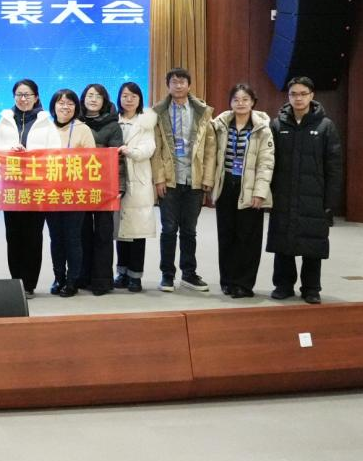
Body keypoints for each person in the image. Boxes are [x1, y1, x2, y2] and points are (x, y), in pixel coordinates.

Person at [266, 77, 342, 304]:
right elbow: (269, 162)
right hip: (284, 194)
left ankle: (311, 288)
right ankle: (283, 285)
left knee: (312, 243)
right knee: (283, 241)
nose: (298, 98)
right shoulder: (277, 125)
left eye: (303, 94)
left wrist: (330, 201)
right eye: (293, 94)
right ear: (288, 97)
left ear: (312, 96)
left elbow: (334, 166)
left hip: (314, 196)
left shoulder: (325, 126)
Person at [0, 78, 59, 297]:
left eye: (27, 95)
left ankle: (29, 284)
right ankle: (16, 281)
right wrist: (10, 150)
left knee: (33, 236)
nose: (23, 99)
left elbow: (55, 152)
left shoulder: (46, 122)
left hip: (36, 187)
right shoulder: (4, 120)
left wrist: (30, 155)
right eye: (19, 95)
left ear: (36, 97)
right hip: (10, 186)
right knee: (13, 235)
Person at [151, 68, 216, 294]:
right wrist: (159, 179)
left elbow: (210, 147)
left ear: (189, 85)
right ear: (168, 85)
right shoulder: (159, 112)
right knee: (169, 229)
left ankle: (189, 274)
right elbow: (156, 149)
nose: (178, 86)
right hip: (170, 179)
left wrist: (207, 177)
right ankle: (167, 275)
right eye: (174, 82)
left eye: (182, 82)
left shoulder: (202, 111)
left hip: (194, 179)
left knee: (189, 230)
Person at [209, 83, 275, 299]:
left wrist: (260, 192)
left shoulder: (262, 128)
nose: (240, 103)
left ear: (253, 102)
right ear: (230, 102)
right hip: (226, 186)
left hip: (250, 188)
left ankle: (244, 284)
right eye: (236, 99)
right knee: (226, 236)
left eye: (245, 99)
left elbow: (266, 163)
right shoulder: (220, 125)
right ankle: (228, 281)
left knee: (248, 239)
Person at [45, 89, 95, 296]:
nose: (65, 107)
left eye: (70, 103)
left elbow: (92, 161)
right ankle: (59, 278)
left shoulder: (83, 129)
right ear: (53, 106)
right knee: (56, 238)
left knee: (72, 238)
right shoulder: (45, 127)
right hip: (50, 193)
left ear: (76, 107)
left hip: (75, 193)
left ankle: (73, 281)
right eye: (61, 103)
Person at [78, 83, 126, 295]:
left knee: (104, 234)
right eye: (90, 95)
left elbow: (118, 159)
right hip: (79, 186)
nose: (93, 99)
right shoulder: (75, 122)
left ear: (104, 100)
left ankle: (102, 280)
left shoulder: (113, 125)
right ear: (83, 99)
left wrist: (119, 186)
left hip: (105, 188)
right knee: (82, 233)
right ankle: (82, 277)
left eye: (98, 96)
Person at [114, 82, 158, 293]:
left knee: (137, 232)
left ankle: (135, 276)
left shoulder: (146, 122)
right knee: (121, 231)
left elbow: (148, 149)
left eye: (133, 96)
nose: (129, 99)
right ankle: (121, 272)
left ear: (140, 99)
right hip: (116, 180)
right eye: (125, 95)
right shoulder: (114, 120)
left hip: (138, 181)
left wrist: (129, 151)